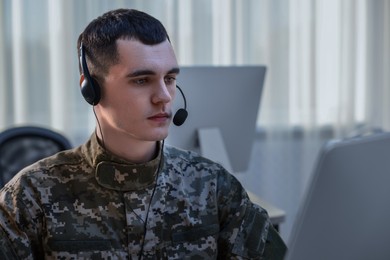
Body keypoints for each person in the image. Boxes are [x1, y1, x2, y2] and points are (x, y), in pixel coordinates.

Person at [0, 8, 286, 259]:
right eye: (141, 80)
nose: (164, 97)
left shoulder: (213, 186)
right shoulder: (29, 196)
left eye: (170, 79)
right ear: (91, 89)